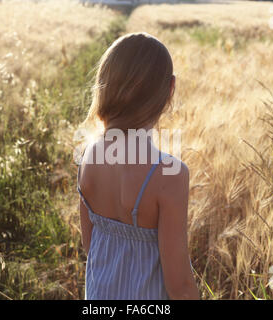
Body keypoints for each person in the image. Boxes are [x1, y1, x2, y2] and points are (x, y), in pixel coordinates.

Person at [77, 32, 199, 300]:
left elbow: (91, 246)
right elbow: (179, 285)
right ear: (169, 89)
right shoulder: (169, 174)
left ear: (105, 85)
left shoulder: (88, 156)